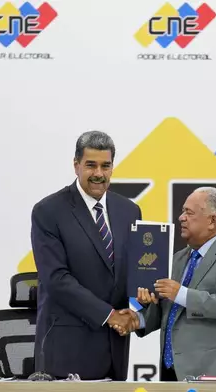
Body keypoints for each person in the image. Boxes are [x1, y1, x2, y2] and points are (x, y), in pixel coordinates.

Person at [30, 130, 142, 381]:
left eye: (106, 165)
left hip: (115, 349)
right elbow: (56, 279)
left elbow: (132, 271)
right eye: (91, 165)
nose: (99, 174)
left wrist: (140, 301)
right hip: (67, 350)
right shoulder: (48, 211)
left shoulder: (130, 211)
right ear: (76, 165)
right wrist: (110, 315)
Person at [127, 187, 216, 381]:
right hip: (173, 375)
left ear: (212, 221)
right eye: (182, 211)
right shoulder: (178, 259)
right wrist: (138, 318)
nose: (181, 217)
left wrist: (181, 293)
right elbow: (171, 311)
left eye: (189, 213)